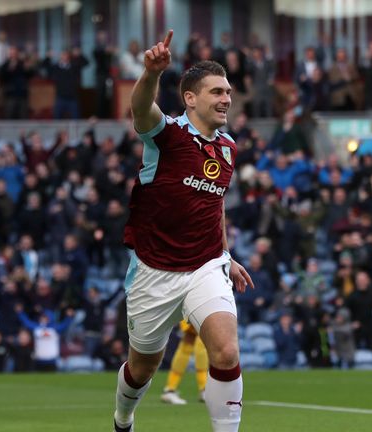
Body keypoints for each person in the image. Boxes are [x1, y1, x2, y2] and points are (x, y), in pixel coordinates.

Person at [112, 30, 253, 432]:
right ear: (190, 97)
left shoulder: (227, 148)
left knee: (225, 351)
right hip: (153, 270)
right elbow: (141, 109)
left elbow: (215, 204)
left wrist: (225, 257)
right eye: (215, 92)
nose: (226, 98)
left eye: (227, 91)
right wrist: (151, 73)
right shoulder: (167, 135)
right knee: (142, 368)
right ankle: (123, 418)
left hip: (205, 266)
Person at [160, 320, 209, 404]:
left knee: (189, 340)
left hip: (189, 309)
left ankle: (170, 389)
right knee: (201, 339)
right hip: (197, 309)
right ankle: (204, 390)